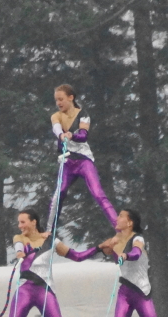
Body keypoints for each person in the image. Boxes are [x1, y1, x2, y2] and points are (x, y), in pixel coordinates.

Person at [47, 84, 118, 229]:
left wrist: (72, 135)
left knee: (98, 193)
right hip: (67, 161)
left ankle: (118, 225)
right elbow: (56, 128)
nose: (58, 103)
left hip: (83, 161)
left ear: (71, 97)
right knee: (59, 193)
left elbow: (83, 136)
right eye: (56, 100)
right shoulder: (56, 116)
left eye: (61, 99)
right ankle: (49, 231)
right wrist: (61, 135)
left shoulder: (83, 114)